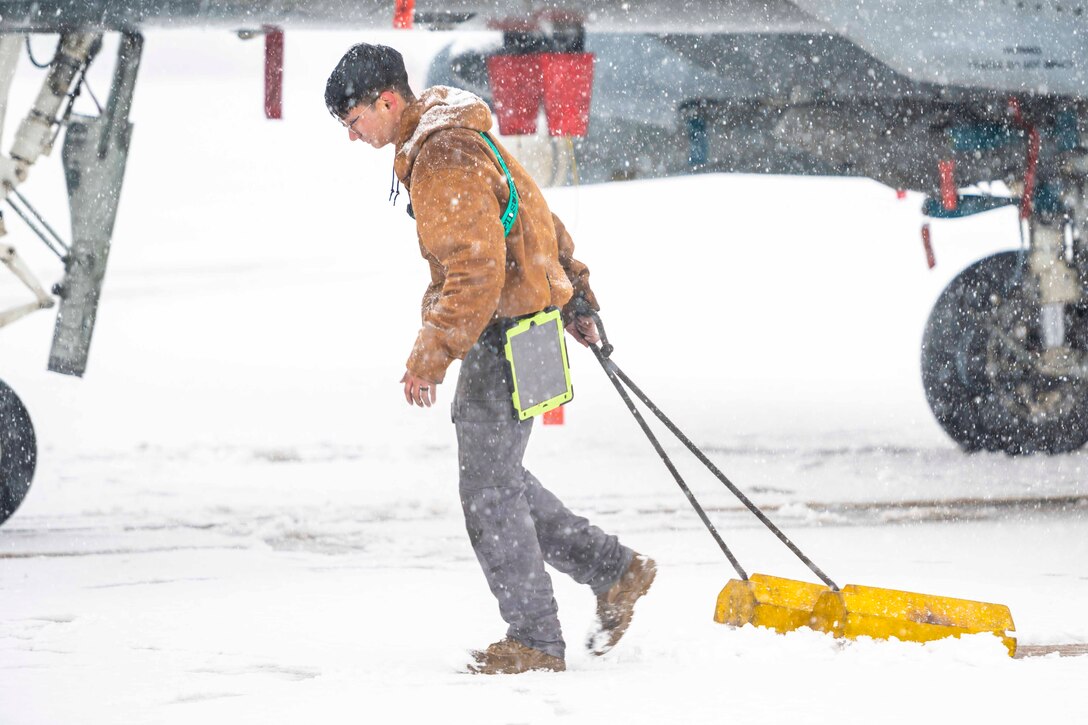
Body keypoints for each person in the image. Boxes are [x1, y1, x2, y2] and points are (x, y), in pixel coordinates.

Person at [325, 43, 655, 675]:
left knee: (487, 489)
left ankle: (535, 639)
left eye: (353, 120)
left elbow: (475, 269)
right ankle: (614, 570)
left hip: (503, 333)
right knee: (498, 475)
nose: (353, 136)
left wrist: (431, 353)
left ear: (386, 100)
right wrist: (575, 294)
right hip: (530, 327)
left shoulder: (443, 153)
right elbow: (536, 215)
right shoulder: (462, 134)